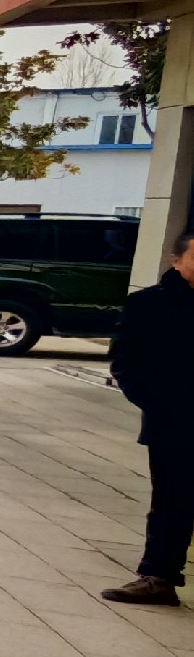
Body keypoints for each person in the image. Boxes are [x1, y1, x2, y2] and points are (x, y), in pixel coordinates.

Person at [104, 230, 194, 606]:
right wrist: (158, 404)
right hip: (176, 421)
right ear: (177, 261)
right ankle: (158, 578)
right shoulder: (148, 305)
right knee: (173, 502)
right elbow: (126, 362)